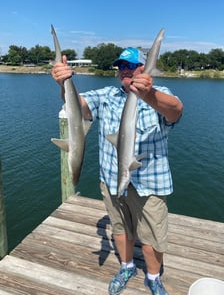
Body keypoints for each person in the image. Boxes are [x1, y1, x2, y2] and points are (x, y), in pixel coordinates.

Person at [51, 47, 183, 295]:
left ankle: (153, 277)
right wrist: (64, 82)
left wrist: (148, 94)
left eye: (130, 66)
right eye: (121, 66)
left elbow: (175, 111)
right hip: (112, 179)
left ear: (144, 68)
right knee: (120, 229)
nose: (125, 70)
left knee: (152, 237)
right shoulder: (107, 95)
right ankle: (127, 266)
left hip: (151, 183)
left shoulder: (160, 93)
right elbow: (78, 106)